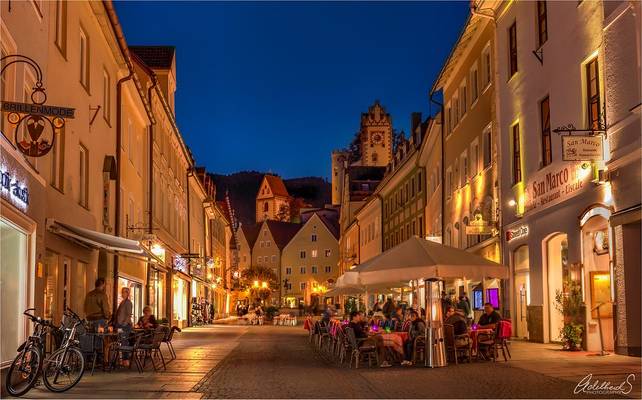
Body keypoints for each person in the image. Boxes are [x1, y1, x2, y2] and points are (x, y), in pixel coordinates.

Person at [114, 287, 133, 366]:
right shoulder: (122, 302)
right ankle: (123, 360)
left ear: (128, 293)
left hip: (124, 326)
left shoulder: (128, 302)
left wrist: (123, 324)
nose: (122, 294)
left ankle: (126, 360)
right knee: (122, 341)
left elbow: (128, 314)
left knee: (124, 342)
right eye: (122, 292)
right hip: (120, 325)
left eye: (124, 292)